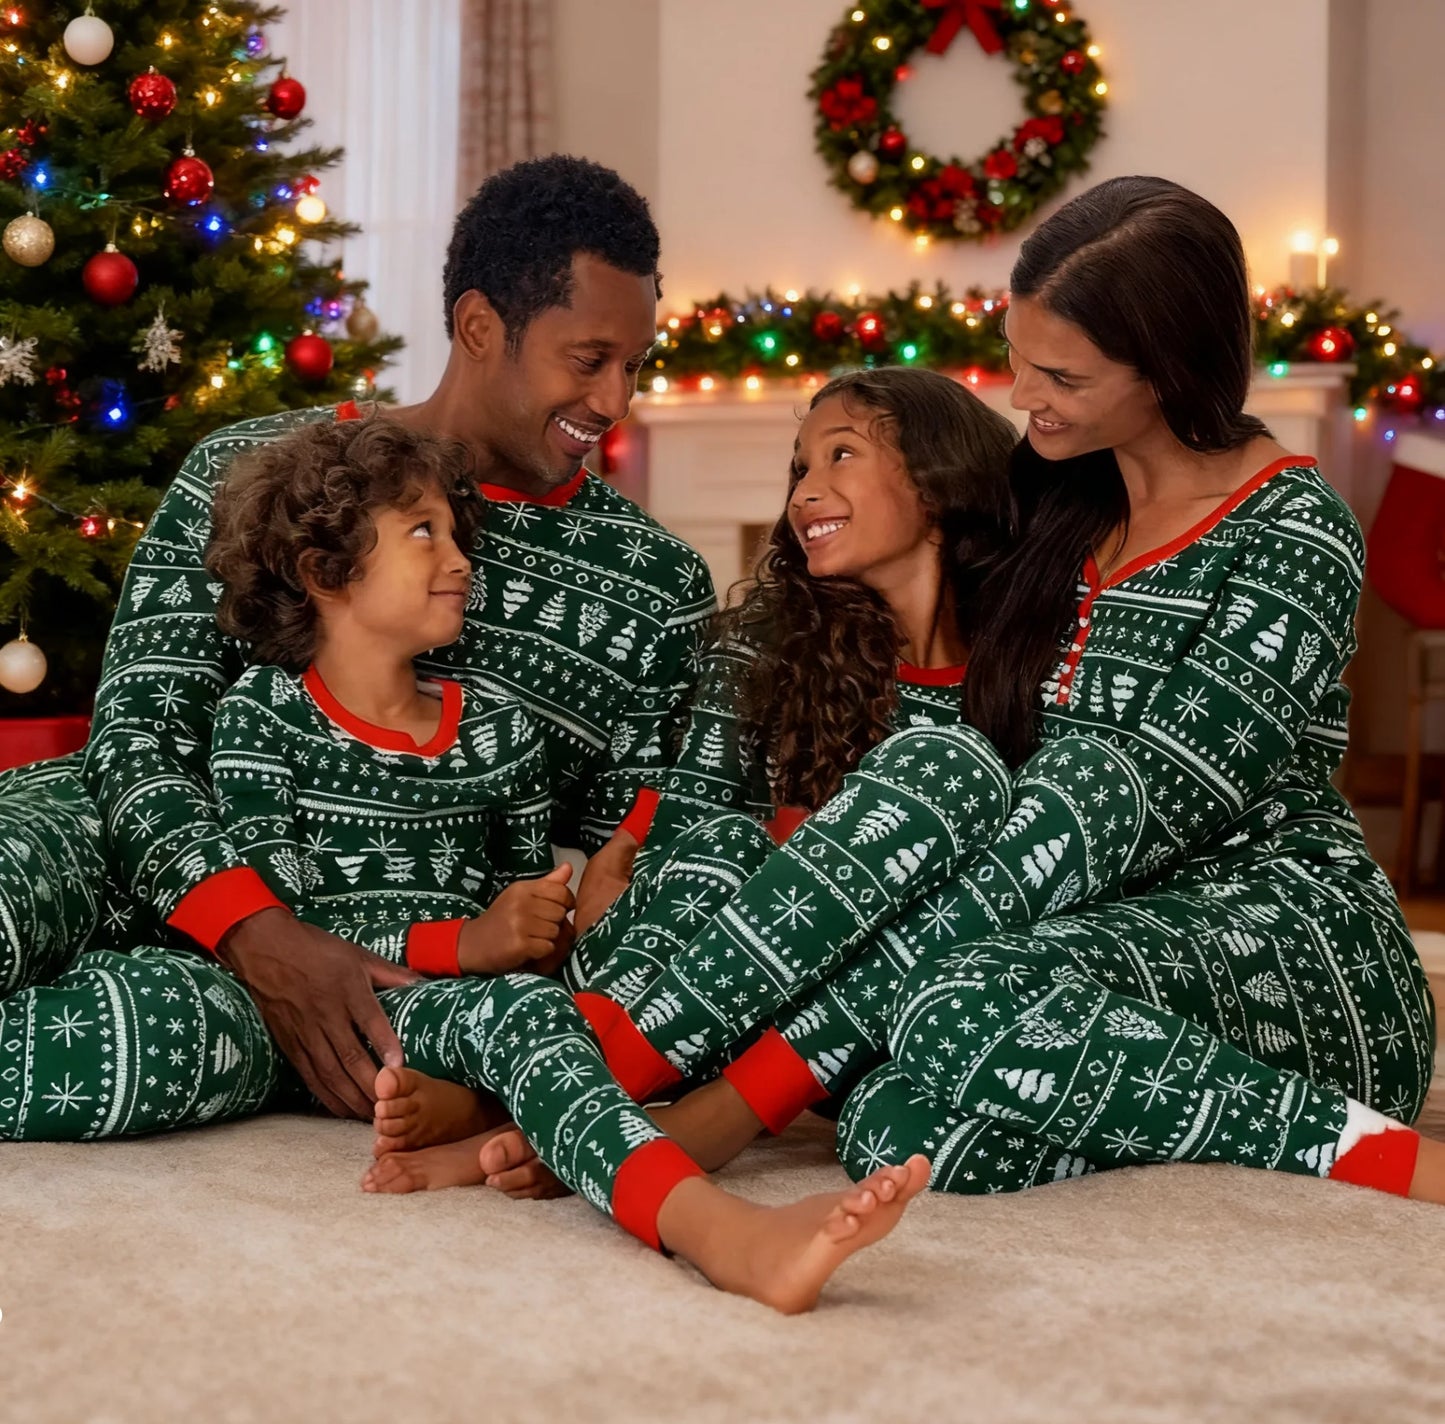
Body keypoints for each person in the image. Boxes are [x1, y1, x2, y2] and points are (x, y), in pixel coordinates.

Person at [407, 177, 1439, 1209]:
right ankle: (1192, 1123)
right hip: (1071, 945)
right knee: (887, 1122)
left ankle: (1380, 1152)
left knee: (962, 985)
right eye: (1017, 356)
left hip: (1276, 937)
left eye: (1058, 374)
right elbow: (939, 738)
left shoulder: (1289, 530)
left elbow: (1098, 814)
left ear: (1165, 368)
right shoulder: (1056, 509)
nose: (1020, 394)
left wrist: (735, 1101)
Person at [0, 154, 715, 1140]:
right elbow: (137, 737)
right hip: (137, 855)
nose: (615, 399)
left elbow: (619, 858)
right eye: (587, 359)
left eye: (636, 363)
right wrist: (258, 931)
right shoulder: (243, 468)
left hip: (395, 955)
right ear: (477, 327)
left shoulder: (655, 585)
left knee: (122, 1048)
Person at [361, 364, 1022, 1192]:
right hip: (718, 984)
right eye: (798, 470)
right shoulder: (759, 646)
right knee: (721, 844)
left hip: (880, 1006)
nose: (804, 494)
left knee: (904, 1111)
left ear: (937, 479)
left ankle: (540, 1099)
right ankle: (582, 1090)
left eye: (839, 457)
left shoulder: (1020, 675)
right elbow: (691, 830)